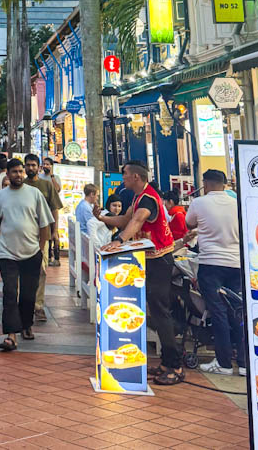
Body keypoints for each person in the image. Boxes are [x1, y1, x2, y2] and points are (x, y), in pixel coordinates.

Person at [96, 161, 184, 386]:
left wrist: (119, 241)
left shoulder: (147, 199)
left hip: (160, 259)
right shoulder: (138, 196)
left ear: (136, 176)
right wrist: (104, 218)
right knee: (155, 311)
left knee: (160, 311)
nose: (122, 177)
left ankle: (175, 365)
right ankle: (165, 363)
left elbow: (136, 221)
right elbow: (125, 220)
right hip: (150, 259)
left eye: (124, 174)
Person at [0, 157, 54, 352]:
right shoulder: (0, 197)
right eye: (15, 172)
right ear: (7, 174)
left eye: (20, 171)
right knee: (10, 292)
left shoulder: (34, 194)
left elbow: (44, 225)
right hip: (7, 252)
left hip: (31, 252)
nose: (18, 175)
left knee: (27, 294)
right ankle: (11, 335)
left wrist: (41, 249)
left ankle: (26, 325)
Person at [186, 169, 245, 376]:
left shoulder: (199, 203)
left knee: (218, 313)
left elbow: (189, 223)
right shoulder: (237, 203)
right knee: (237, 312)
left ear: (206, 183)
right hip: (236, 264)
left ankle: (224, 363)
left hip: (211, 264)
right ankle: (245, 364)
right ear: (224, 183)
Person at [24, 154, 62, 322]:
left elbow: (55, 208)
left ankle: (38, 305)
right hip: (23, 235)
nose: (30, 168)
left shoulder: (46, 185)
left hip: (43, 235)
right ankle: (24, 304)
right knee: (22, 270)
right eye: (28, 165)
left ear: (38, 167)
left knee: (41, 269)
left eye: (33, 165)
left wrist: (55, 231)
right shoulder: (20, 185)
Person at [42, 158, 62, 265]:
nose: (46, 166)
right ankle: (49, 256)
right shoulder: (40, 177)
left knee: (55, 232)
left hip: (53, 208)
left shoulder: (56, 177)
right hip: (43, 209)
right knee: (47, 232)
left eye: (48, 164)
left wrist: (52, 176)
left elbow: (57, 189)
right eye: (44, 164)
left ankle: (57, 257)